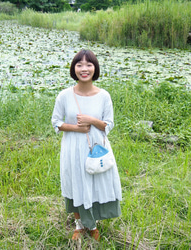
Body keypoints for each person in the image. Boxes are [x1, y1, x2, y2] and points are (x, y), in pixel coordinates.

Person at [51, 49, 122, 241]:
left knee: (95, 183)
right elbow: (56, 122)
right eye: (79, 65)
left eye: (89, 65)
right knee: (75, 183)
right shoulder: (64, 95)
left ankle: (93, 225)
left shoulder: (104, 96)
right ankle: (79, 225)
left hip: (96, 148)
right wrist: (75, 128)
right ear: (74, 69)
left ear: (95, 68)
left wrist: (92, 120)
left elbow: (109, 124)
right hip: (72, 147)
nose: (84, 69)